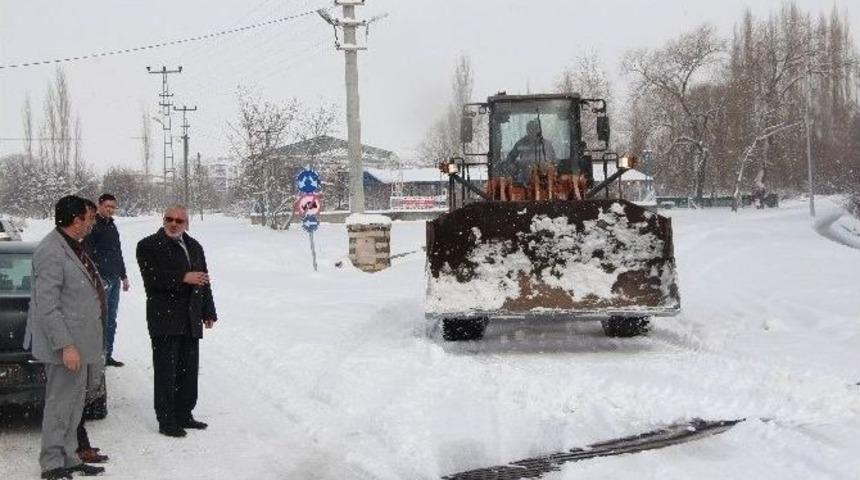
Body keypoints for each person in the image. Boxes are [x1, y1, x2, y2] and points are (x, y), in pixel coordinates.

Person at [24, 195, 106, 479]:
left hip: (80, 344)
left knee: (72, 407)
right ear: (76, 221)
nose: (92, 223)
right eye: (90, 218)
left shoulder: (72, 246)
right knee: (59, 406)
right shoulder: (51, 251)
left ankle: (69, 458)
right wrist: (66, 345)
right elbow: (47, 306)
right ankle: (51, 464)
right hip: (66, 347)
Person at [136, 205, 217, 438]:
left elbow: (203, 280)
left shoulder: (194, 246)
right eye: (169, 219)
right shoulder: (148, 245)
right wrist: (183, 277)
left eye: (179, 221)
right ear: (163, 220)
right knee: (166, 371)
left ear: (187, 224)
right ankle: (167, 419)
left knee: (188, 370)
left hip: (190, 318)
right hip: (165, 319)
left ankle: (184, 413)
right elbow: (152, 279)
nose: (173, 224)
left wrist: (208, 311)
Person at [84, 193, 130, 367]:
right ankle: (96, 355)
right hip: (100, 279)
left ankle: (107, 354)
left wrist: (123, 275)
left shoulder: (112, 226)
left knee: (111, 318)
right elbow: (88, 253)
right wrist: (96, 276)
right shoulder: (93, 226)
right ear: (100, 205)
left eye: (113, 207)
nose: (110, 210)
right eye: (107, 206)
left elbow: (117, 252)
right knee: (99, 318)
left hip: (114, 277)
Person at [501, 118, 557, 184]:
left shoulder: (547, 145)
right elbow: (510, 158)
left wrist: (550, 166)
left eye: (535, 129)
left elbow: (554, 161)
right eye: (530, 129)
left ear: (539, 130)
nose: (533, 132)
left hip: (545, 178)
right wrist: (512, 167)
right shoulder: (520, 144)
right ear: (527, 130)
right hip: (524, 178)